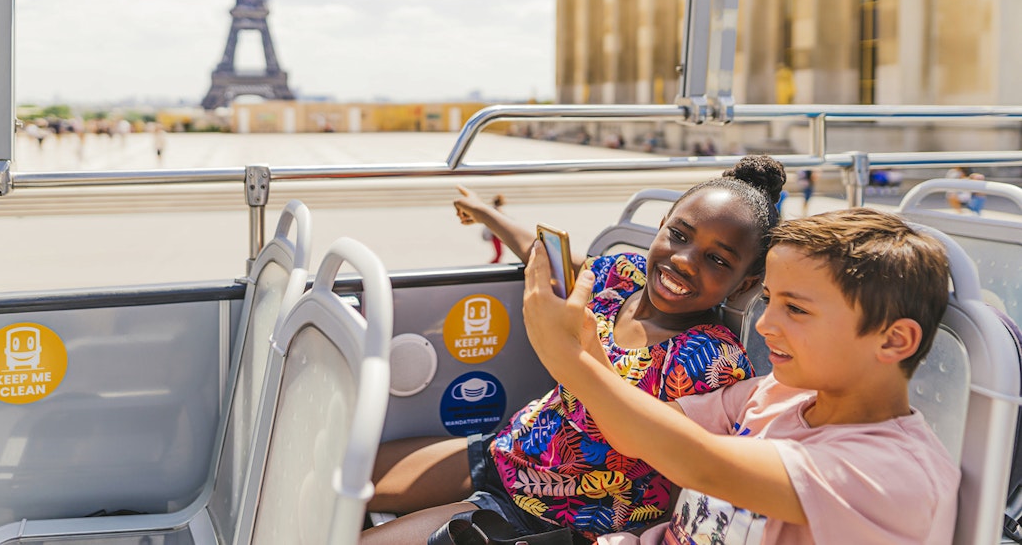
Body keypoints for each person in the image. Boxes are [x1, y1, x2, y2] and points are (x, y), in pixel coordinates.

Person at [362, 155, 787, 544]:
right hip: (510, 450)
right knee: (336, 476)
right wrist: (487, 214)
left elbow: (677, 463)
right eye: (678, 235)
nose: (684, 260)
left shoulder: (712, 361)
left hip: (554, 516)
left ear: (746, 283)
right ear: (661, 226)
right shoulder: (623, 275)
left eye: (718, 260)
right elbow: (544, 256)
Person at [522, 207, 959, 545]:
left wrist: (567, 360)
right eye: (768, 300)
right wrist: (587, 346)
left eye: (796, 309)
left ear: (894, 340)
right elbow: (638, 432)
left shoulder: (895, 472)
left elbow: (705, 466)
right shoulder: (776, 394)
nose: (766, 324)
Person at [477, 194, 507, 264]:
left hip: (496, 234)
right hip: (495, 235)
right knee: (499, 253)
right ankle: (491, 265)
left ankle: (494, 264)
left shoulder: (494, 209)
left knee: (499, 253)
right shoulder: (496, 211)